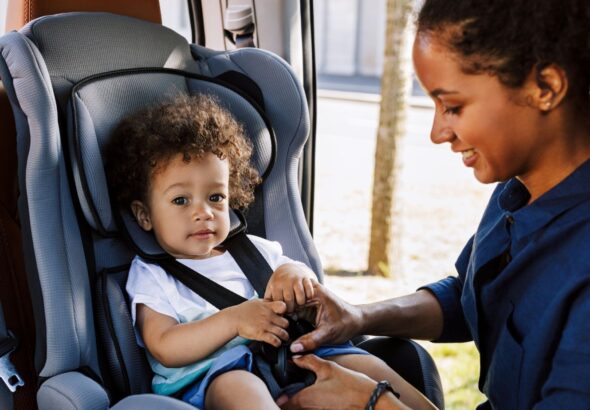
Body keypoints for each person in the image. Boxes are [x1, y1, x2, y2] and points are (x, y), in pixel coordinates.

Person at [283, 0, 590, 409]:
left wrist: (374, 403)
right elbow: (472, 298)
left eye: (453, 107)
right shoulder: (517, 191)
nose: (437, 132)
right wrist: (359, 316)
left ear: (545, 88)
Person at [104, 95, 436, 410]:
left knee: (365, 365)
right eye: (181, 200)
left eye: (216, 197)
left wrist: (295, 276)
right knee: (238, 387)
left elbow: (300, 277)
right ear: (144, 215)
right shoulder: (153, 275)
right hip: (214, 373)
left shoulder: (255, 252)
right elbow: (164, 344)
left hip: (291, 353)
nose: (203, 212)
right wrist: (234, 320)